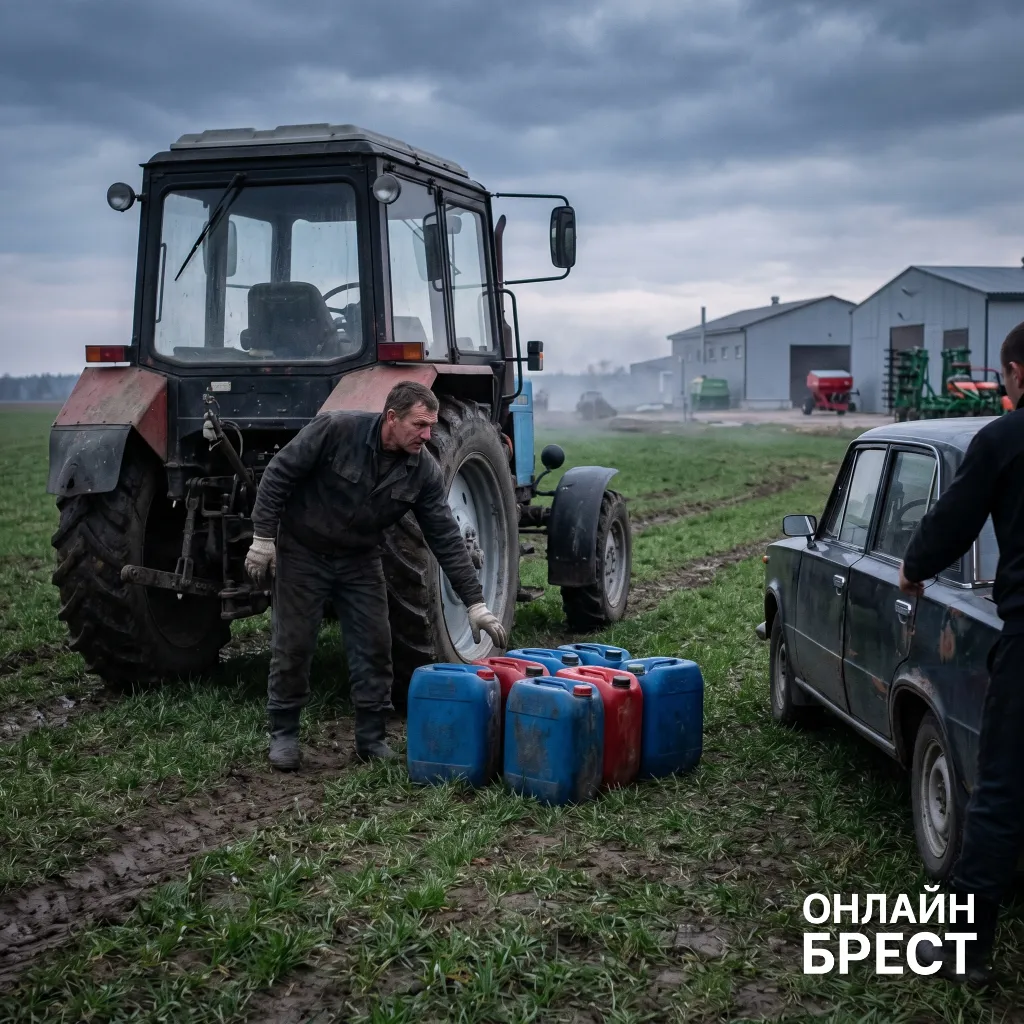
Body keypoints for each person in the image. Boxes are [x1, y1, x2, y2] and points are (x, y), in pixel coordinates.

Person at [244, 380, 507, 769]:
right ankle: (284, 734)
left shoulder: (423, 472)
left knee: (374, 646)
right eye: (419, 425)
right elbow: (278, 475)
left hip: (360, 558)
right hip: (304, 552)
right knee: (293, 644)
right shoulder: (336, 430)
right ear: (390, 418)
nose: (427, 435)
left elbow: (446, 538)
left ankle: (371, 737)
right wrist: (263, 538)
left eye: (431, 426)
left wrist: (475, 604)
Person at [898, 322, 1024, 985]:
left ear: (1017, 375)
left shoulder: (1004, 439)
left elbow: (954, 518)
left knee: (1001, 793)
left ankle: (966, 953)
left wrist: (915, 565)